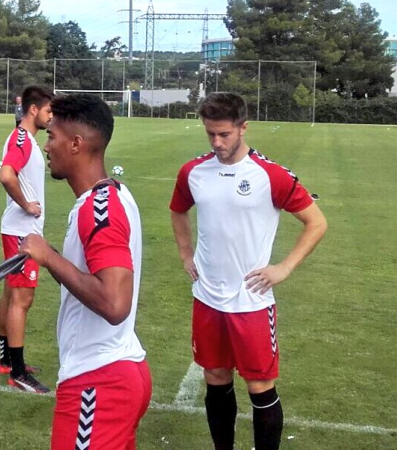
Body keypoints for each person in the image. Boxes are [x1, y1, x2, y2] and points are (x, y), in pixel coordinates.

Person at [169, 92, 327, 450]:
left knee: (259, 385)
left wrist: (285, 267)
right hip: (207, 296)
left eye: (224, 134)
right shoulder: (193, 172)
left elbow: (316, 223)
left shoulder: (270, 176)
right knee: (215, 377)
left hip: (251, 301)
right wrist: (185, 253)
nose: (216, 142)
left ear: (243, 128)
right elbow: (178, 210)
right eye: (210, 133)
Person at [19, 94, 151, 449]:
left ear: (76, 144)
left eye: (51, 136)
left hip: (99, 381)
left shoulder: (98, 209)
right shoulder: (113, 196)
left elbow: (114, 302)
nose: (46, 146)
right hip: (118, 370)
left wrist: (48, 257)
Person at [0, 86, 54, 393]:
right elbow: (7, 175)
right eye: (48, 111)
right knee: (22, 299)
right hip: (21, 232)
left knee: (10, 294)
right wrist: (26, 205)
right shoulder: (22, 139)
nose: (51, 117)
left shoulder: (26, 139)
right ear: (34, 110)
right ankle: (18, 373)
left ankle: (7, 360)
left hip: (18, 230)